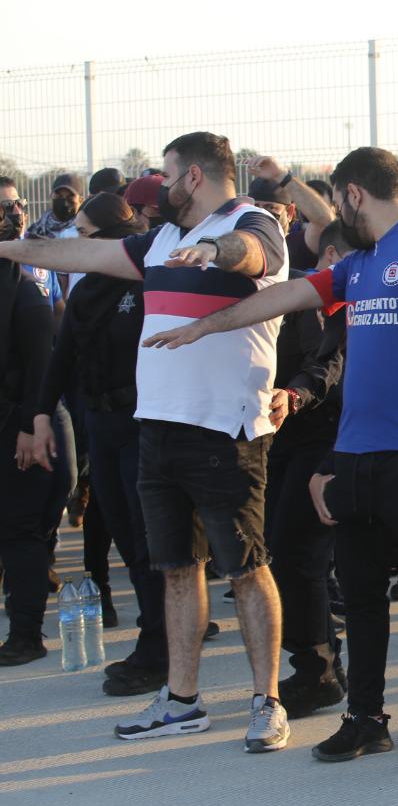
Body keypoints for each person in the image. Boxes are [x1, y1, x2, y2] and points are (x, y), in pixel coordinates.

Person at [142, 145, 398, 775]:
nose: (335, 213)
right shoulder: (357, 265)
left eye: (338, 200)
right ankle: (366, 718)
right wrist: (206, 326)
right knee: (362, 597)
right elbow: (282, 297)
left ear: (353, 195)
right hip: (355, 456)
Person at [0, 132, 294, 753]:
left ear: (191, 176)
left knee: (245, 569)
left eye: (165, 174)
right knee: (176, 570)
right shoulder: (159, 239)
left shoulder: (254, 219)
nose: (156, 186)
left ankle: (268, 700)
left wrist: (213, 249)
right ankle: (182, 701)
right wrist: (8, 247)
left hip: (225, 430)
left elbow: (251, 256)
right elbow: (81, 256)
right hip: (156, 425)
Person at [25, 193, 160, 692]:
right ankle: (157, 630)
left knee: (149, 541)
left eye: (82, 235)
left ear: (107, 240)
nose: (73, 244)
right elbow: (62, 357)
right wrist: (41, 413)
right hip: (101, 424)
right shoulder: (85, 292)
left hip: (143, 424)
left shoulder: (148, 284)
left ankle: (159, 644)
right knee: (124, 532)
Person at [257, 210, 349, 720]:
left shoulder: (310, 298)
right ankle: (324, 664)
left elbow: (328, 364)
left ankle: (317, 671)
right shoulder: (268, 294)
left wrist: (294, 395)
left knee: (299, 557)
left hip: (325, 441)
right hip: (285, 443)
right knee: (291, 557)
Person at [0, 202, 56, 666]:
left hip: (14, 425)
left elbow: (41, 360)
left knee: (19, 530)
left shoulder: (22, 285)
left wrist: (28, 426)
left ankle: (25, 634)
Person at [247, 156, 335, 270]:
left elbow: (325, 220)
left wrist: (280, 175)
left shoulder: (297, 243)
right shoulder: (247, 244)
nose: (262, 212)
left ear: (290, 212)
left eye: (270, 207)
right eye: (256, 206)